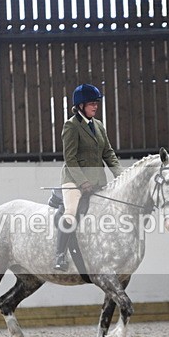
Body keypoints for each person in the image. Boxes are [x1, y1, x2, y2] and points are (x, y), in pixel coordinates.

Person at [53, 83, 123, 271]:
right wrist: (82, 181)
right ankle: (59, 255)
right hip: (73, 180)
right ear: (81, 105)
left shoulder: (98, 125)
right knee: (71, 211)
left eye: (96, 103)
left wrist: (122, 176)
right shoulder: (71, 126)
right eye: (92, 103)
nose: (95, 106)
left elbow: (108, 153)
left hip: (98, 181)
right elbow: (70, 158)